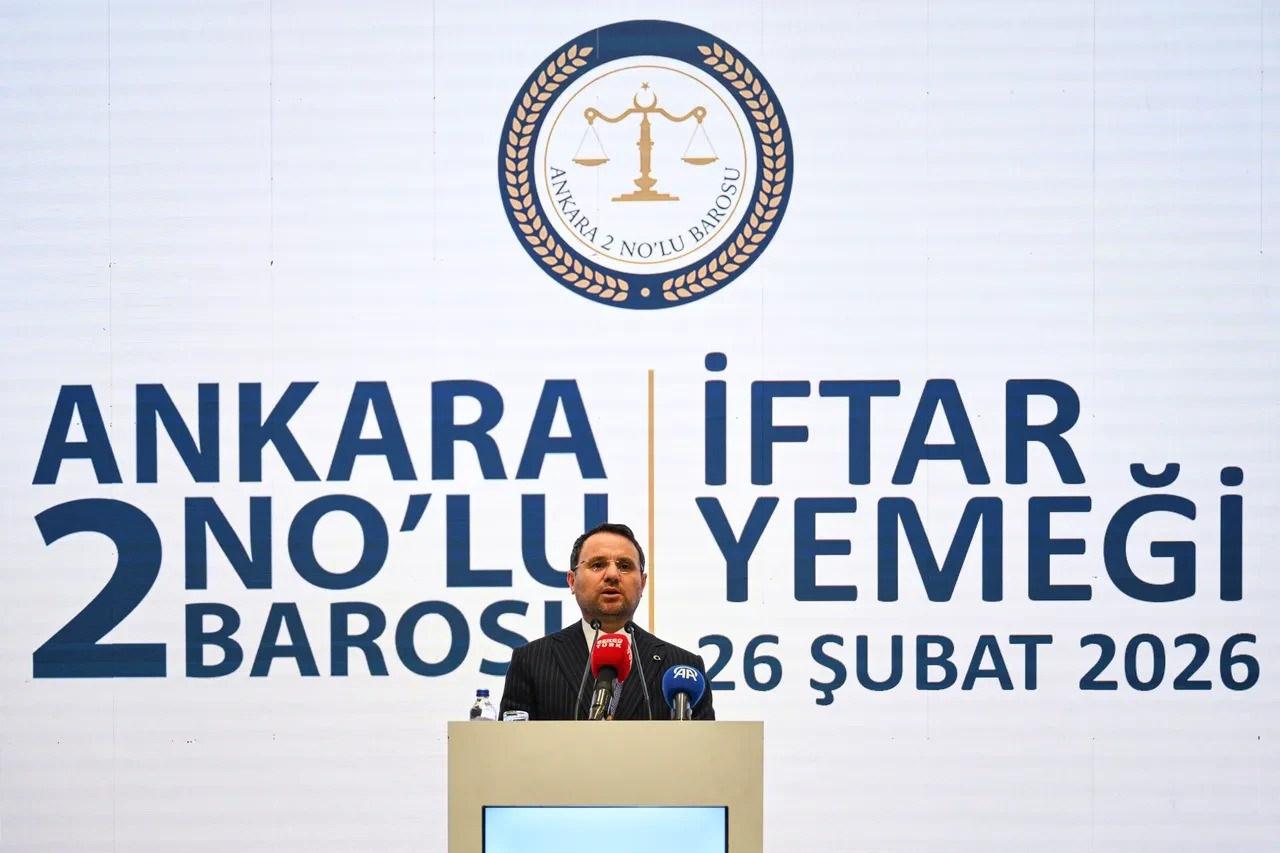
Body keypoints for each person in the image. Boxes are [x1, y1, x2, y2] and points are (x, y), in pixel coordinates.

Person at [499, 522, 715, 720]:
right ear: (572, 581)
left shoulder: (683, 668)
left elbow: (703, 748)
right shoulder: (531, 661)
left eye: (625, 566)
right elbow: (510, 745)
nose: (612, 574)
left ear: (642, 583)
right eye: (597, 565)